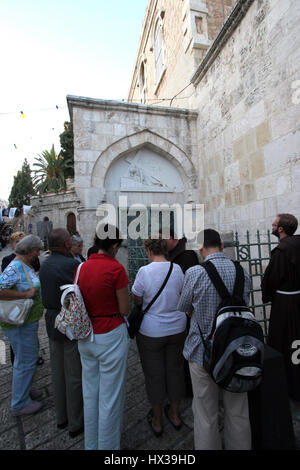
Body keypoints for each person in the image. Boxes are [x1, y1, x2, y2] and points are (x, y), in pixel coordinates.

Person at [178, 229, 252, 450]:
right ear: (221, 244)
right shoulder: (241, 271)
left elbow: (184, 308)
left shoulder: (195, 272)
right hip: (236, 350)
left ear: (200, 248)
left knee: (205, 412)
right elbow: (243, 304)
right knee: (238, 410)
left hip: (203, 351)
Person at [76, 224, 130, 450]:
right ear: (115, 246)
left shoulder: (81, 268)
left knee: (90, 394)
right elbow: (125, 309)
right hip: (110, 334)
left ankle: (92, 444)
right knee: (110, 397)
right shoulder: (116, 270)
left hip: (86, 335)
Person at [132, 237, 186, 438]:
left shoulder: (144, 271)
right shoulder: (177, 269)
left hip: (152, 331)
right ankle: (175, 414)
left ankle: (157, 419)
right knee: (175, 370)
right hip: (177, 327)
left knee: (154, 374)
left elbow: (137, 298)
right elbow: (181, 292)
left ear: (148, 251)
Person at [39, 228, 84, 438]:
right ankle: (75, 422)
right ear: (66, 244)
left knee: (57, 371)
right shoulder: (72, 264)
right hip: (68, 319)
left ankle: (61, 417)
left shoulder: (45, 263)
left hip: (51, 320)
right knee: (73, 372)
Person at [0, 235, 44, 416]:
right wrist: (25, 295)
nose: (38, 253)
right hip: (19, 323)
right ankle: (19, 404)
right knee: (25, 361)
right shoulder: (15, 267)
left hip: (25, 321)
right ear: (29, 250)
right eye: (37, 250)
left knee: (24, 359)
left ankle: (24, 390)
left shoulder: (23, 265)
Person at [261, 213, 300, 401]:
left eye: (274, 224)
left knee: (283, 342)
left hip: (285, 305)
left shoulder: (282, 251)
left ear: (281, 229)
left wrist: (267, 293)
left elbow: (272, 279)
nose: (272, 226)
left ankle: (288, 385)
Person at [163, 229, 199, 397]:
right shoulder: (171, 255)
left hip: (187, 312)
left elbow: (190, 285)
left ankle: (189, 386)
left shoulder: (187, 255)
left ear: (173, 239)